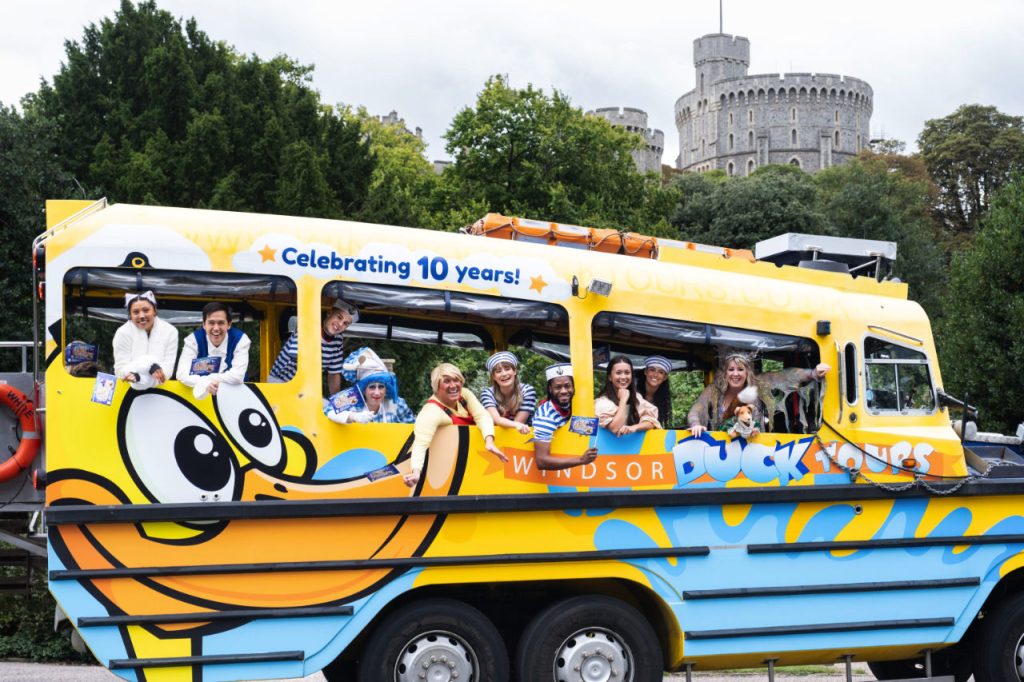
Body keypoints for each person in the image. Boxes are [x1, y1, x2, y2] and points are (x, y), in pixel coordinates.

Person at [403, 363, 507, 487]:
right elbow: (420, 444)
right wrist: (416, 472)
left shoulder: (464, 394)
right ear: (437, 386)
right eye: (446, 381)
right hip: (453, 469)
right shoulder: (431, 412)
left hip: (477, 464)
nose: (453, 385)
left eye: (456, 380)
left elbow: (482, 416)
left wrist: (489, 441)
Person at [687, 351, 830, 437]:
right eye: (731, 369)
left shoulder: (757, 384)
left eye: (740, 369)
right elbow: (696, 408)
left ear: (747, 372)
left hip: (754, 447)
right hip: (722, 448)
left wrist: (812, 373)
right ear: (725, 374)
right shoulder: (714, 390)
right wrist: (695, 425)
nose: (735, 374)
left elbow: (786, 376)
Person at [268, 299, 356, 394]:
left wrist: (336, 401)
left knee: (328, 407)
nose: (340, 324)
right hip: (279, 383)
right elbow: (300, 361)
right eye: (339, 317)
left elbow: (334, 374)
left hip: (303, 389)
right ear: (330, 313)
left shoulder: (338, 340)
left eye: (345, 323)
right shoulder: (308, 327)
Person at [175, 302, 251, 399]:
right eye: (211, 323)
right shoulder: (193, 340)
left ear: (229, 324)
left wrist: (205, 380)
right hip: (201, 402)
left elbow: (238, 375)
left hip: (236, 397)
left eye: (221, 323)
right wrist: (205, 384)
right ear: (204, 324)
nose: (216, 328)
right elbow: (181, 373)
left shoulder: (240, 339)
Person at [533, 363, 599, 470]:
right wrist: (581, 460)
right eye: (558, 387)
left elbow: (584, 430)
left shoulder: (576, 406)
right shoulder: (545, 417)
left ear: (573, 387)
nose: (564, 391)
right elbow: (541, 461)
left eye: (567, 386)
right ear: (550, 389)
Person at [325, 347, 415, 424]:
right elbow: (327, 412)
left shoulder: (397, 404)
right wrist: (353, 416)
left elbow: (412, 429)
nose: (377, 392)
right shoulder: (351, 398)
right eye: (372, 387)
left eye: (381, 387)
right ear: (363, 389)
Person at [112, 291, 179, 390]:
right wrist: (149, 367)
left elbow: (167, 369)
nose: (142, 316)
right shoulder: (122, 332)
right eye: (136, 312)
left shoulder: (170, 331)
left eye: (146, 310)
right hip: (128, 390)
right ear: (130, 315)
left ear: (155, 310)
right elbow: (120, 370)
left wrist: (147, 376)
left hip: (161, 391)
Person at [594, 355, 661, 436]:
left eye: (627, 373)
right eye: (618, 373)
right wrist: (623, 400)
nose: (623, 377)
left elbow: (651, 421)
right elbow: (615, 428)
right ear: (610, 377)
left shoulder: (636, 397)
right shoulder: (602, 402)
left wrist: (635, 427)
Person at [480, 351, 536, 435]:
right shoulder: (487, 393)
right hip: (497, 436)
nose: (504, 374)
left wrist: (517, 425)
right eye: (498, 371)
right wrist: (516, 425)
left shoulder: (527, 391)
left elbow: (519, 423)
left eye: (507, 369)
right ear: (494, 377)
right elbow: (497, 420)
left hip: (522, 437)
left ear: (514, 371)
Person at [637, 355, 673, 428]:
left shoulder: (662, 398)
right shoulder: (634, 390)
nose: (655, 375)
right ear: (645, 372)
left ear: (665, 377)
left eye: (661, 372)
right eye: (652, 370)